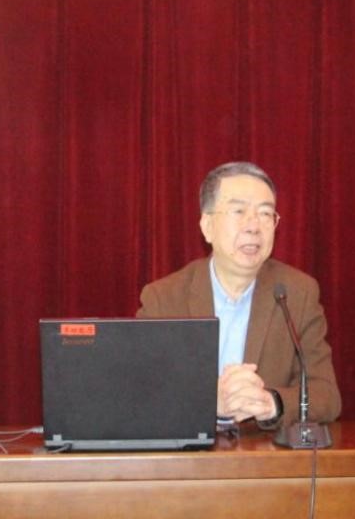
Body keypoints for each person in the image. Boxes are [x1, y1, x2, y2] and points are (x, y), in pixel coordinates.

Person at [137, 161, 342, 430]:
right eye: (238, 211)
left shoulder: (297, 294)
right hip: (190, 452)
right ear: (207, 226)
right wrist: (209, 402)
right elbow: (141, 393)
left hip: (263, 452)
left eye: (265, 213)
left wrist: (273, 403)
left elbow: (327, 395)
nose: (253, 226)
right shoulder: (164, 298)